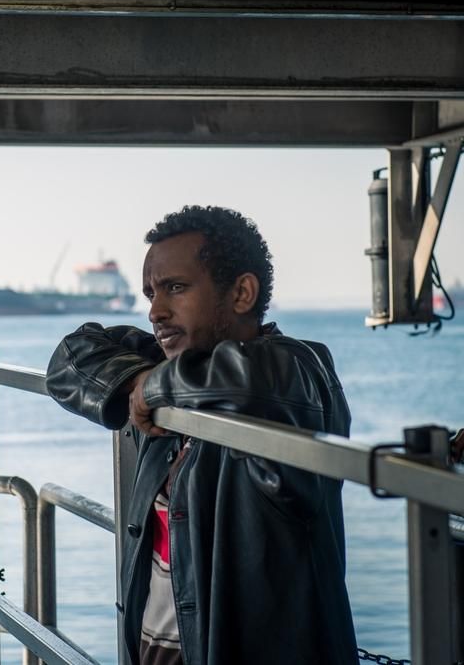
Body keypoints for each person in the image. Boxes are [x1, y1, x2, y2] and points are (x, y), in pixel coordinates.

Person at [46, 206, 358, 665]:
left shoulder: (296, 372)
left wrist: (150, 386)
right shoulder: (176, 370)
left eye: (175, 288)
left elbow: (251, 379)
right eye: (151, 292)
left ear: (242, 293)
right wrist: (140, 382)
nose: (155, 311)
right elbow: (70, 358)